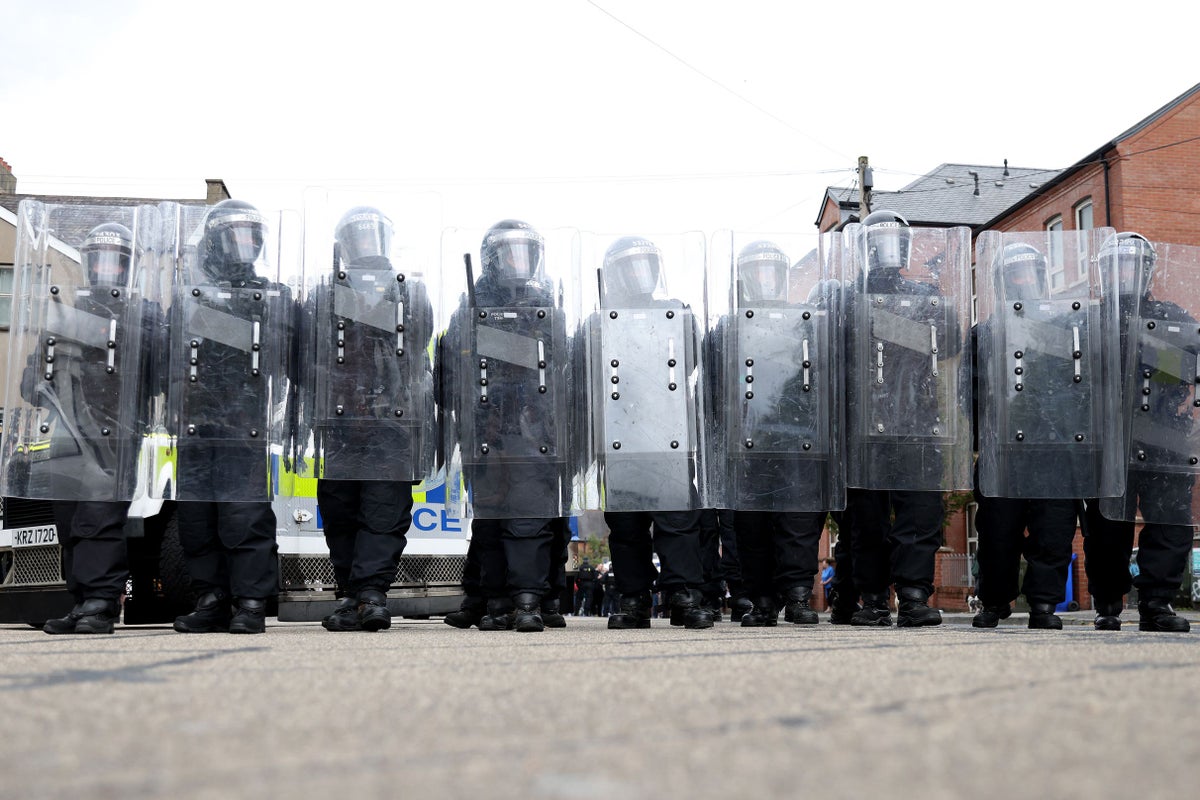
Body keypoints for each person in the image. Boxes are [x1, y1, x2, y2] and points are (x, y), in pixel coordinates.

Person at [10, 216, 160, 634]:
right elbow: (30, 380)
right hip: (64, 437)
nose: (107, 269)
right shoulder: (67, 315)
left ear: (126, 268)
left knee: (99, 518)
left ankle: (101, 601)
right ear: (89, 264)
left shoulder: (142, 317)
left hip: (114, 435)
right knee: (70, 522)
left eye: (117, 262)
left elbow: (157, 376)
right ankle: (81, 600)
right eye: (101, 261)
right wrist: (44, 382)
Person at [302, 206, 436, 632]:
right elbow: (304, 357)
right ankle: (349, 595)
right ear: (343, 245)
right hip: (338, 424)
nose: (366, 245)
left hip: (392, 425)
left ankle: (372, 594)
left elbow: (418, 346)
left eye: (372, 235)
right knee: (340, 511)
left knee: (383, 512)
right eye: (357, 237)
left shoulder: (408, 293)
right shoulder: (323, 294)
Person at [169, 199, 295, 634]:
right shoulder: (186, 297)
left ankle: (250, 603)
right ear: (214, 242)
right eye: (234, 235)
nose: (244, 245)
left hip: (244, 426)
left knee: (244, 519)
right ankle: (211, 599)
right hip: (195, 425)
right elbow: (166, 361)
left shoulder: (274, 297)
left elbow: (283, 355)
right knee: (197, 519)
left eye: (250, 236)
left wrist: (213, 321)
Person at [840, 210, 971, 627]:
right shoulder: (845, 298)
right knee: (866, 521)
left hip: (918, 421)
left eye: (895, 240)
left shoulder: (925, 295)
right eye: (878, 241)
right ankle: (875, 600)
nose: (887, 250)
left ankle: (914, 596)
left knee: (920, 515)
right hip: (863, 426)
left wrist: (892, 322)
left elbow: (949, 340)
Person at [442, 220, 572, 632]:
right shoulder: (469, 306)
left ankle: (532, 598)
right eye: (510, 251)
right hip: (486, 429)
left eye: (526, 251)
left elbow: (561, 362)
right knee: (490, 519)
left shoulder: (546, 306)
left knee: (531, 518)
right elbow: (449, 369)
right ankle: (492, 598)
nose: (520, 260)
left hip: (533, 429)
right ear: (492, 258)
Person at [588, 236, 713, 630]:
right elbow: (588, 379)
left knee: (679, 522)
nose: (640, 274)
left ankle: (684, 595)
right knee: (626, 528)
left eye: (646, 265)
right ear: (614, 275)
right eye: (630, 266)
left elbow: (692, 364)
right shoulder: (599, 321)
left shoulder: (677, 314)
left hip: (669, 437)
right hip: (620, 438)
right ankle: (634, 598)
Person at [971, 241, 1094, 630]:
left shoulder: (1069, 328)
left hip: (1056, 449)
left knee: (1053, 530)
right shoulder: (986, 333)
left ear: (1041, 278)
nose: (1022, 281)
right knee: (996, 532)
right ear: (1002, 282)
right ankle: (994, 601)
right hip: (1003, 449)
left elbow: (1086, 386)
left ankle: (1043, 604)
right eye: (1014, 275)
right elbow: (968, 393)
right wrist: (979, 439)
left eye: (1028, 273)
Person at [719, 241, 833, 627]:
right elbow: (716, 384)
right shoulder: (730, 324)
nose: (766, 280)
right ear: (746, 278)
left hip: (798, 436)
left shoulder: (805, 321)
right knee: (752, 525)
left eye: (772, 272)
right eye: (758, 272)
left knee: (797, 522)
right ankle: (762, 599)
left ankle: (798, 594)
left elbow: (823, 377)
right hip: (749, 439)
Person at [1084, 233, 1193, 632]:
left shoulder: (1172, 315)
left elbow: (1187, 362)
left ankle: (1156, 602)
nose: (1125, 273)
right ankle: (1108, 600)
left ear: (1146, 271)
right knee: (1107, 524)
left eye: (1132, 265)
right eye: (1117, 266)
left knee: (1171, 520)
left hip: (1164, 435)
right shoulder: (1089, 317)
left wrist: (1149, 350)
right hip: (1108, 436)